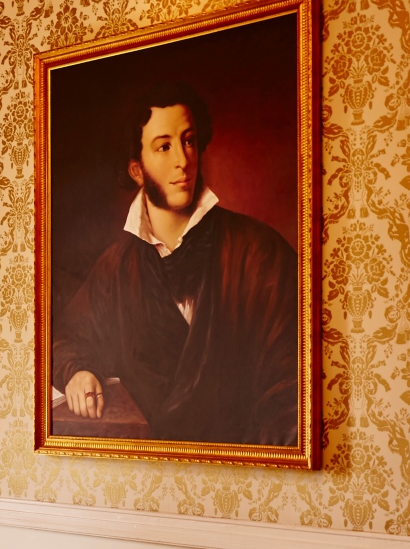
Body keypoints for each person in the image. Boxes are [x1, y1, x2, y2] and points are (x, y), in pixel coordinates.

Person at [51, 79, 300, 447]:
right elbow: (64, 338)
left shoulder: (260, 253)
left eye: (188, 140)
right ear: (137, 170)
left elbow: (292, 388)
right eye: (164, 147)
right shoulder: (116, 267)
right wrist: (77, 372)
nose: (183, 160)